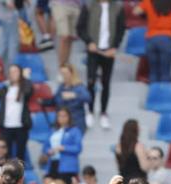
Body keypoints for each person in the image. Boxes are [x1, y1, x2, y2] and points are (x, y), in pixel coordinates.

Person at [77, 0, 125, 130]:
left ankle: (104, 112)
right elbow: (80, 27)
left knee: (106, 82)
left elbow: (121, 29)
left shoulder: (118, 8)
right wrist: (89, 42)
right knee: (91, 81)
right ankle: (90, 111)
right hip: (93, 50)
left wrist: (115, 47)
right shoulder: (88, 6)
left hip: (108, 51)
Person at [0, 64, 33, 160]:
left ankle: (20, 174)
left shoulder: (24, 88)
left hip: (21, 126)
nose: (13, 74)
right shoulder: (5, 89)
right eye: (11, 72)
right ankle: (8, 174)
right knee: (6, 156)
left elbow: (29, 92)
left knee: (20, 154)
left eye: (15, 71)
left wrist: (27, 78)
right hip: (6, 127)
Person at [133, 0, 171, 83]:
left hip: (151, 39)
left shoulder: (148, 1)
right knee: (165, 73)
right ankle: (164, 94)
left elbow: (136, 11)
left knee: (153, 72)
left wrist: (146, 14)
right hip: (167, 39)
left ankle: (153, 93)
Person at [40, 107, 83, 184]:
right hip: (52, 164)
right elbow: (45, 147)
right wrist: (49, 151)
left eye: (64, 116)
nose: (62, 118)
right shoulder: (52, 131)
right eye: (60, 116)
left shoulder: (74, 131)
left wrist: (63, 148)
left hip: (67, 166)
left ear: (69, 117)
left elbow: (78, 148)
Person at [44, 63, 91, 132]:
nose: (63, 76)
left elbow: (88, 98)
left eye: (65, 73)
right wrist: (42, 101)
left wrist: (74, 95)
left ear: (71, 74)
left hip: (76, 122)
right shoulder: (61, 87)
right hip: (61, 122)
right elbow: (55, 100)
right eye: (61, 73)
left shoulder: (79, 86)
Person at [114, 119, 149, 184]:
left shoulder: (118, 146)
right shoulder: (138, 146)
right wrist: (150, 159)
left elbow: (120, 166)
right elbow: (144, 166)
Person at [51, 0, 82, 68]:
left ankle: (66, 66)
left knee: (70, 37)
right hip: (60, 4)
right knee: (64, 36)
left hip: (76, 5)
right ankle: (62, 68)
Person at [0, 0, 20, 71]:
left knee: (7, 43)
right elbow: (10, 4)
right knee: (10, 44)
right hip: (6, 18)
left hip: (3, 17)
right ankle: (10, 71)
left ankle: (0, 70)